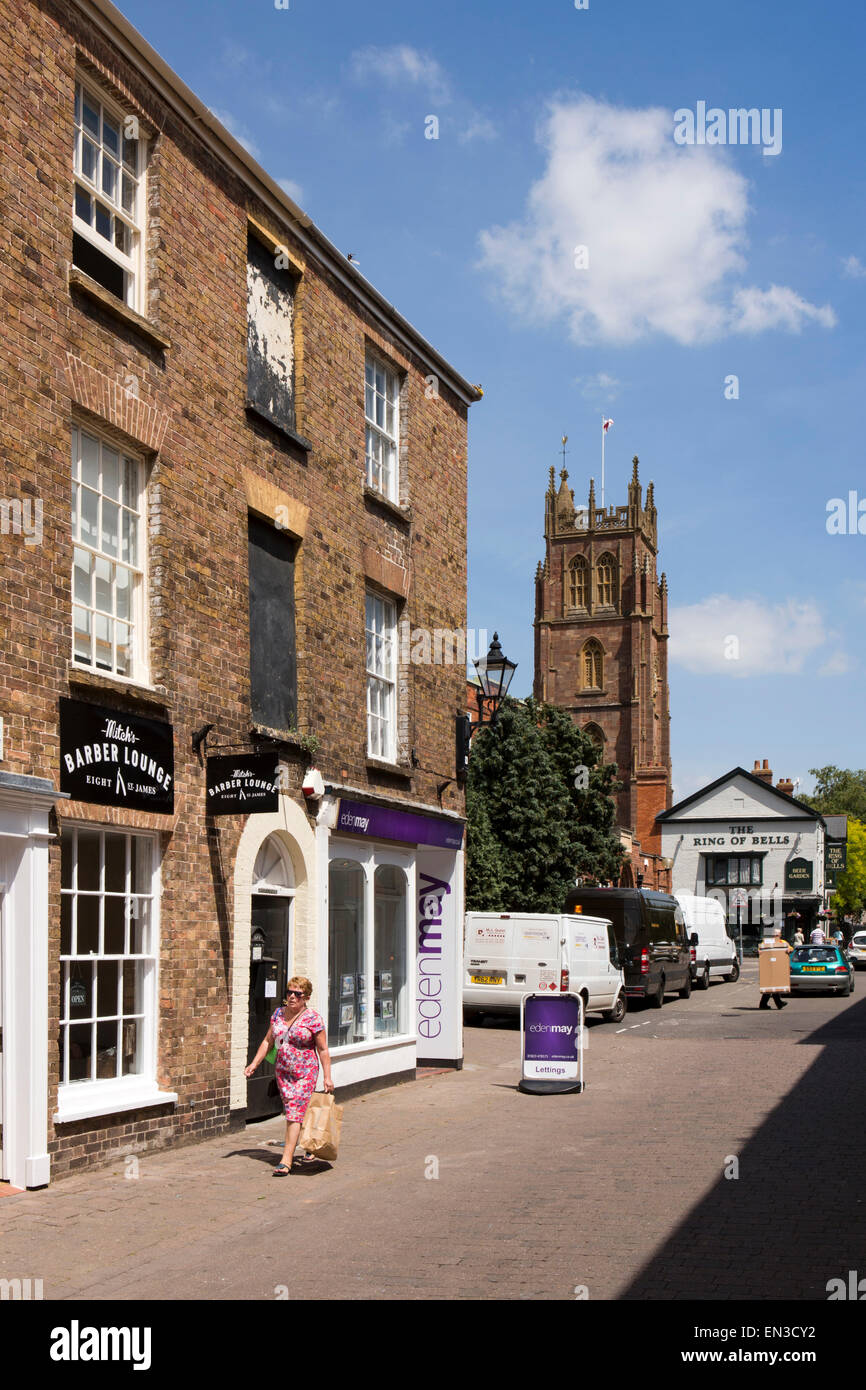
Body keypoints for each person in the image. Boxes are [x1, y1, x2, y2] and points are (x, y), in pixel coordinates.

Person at [245, 976, 334, 1176]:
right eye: (289, 992)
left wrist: (327, 1077)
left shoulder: (313, 1019)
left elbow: (323, 1050)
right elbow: (268, 1041)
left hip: (306, 1072)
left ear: (306, 997)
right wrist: (254, 1064)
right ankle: (309, 1143)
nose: (292, 997)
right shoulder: (278, 1013)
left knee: (294, 1111)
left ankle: (286, 1160)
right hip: (283, 1072)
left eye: (297, 994)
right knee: (295, 1110)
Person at [759, 926, 791, 1010]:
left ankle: (765, 1004)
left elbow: (790, 947)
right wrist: (759, 950)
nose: (775, 936)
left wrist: (789, 949)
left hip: (778, 967)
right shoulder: (767, 942)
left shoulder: (783, 942)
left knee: (772, 985)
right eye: (774, 935)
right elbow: (760, 948)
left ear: (780, 935)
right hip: (768, 966)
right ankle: (777, 1003)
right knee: (771, 985)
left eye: (777, 935)